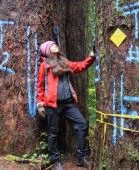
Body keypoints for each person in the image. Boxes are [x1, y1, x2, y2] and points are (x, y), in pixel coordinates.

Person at [36, 41, 95, 170]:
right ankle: (54, 160)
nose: (55, 45)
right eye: (52, 45)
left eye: (55, 44)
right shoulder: (45, 66)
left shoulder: (64, 62)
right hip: (52, 105)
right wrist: (40, 104)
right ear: (47, 51)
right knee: (53, 132)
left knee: (81, 124)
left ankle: (81, 157)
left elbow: (80, 66)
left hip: (68, 103)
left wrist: (91, 56)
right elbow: (40, 86)